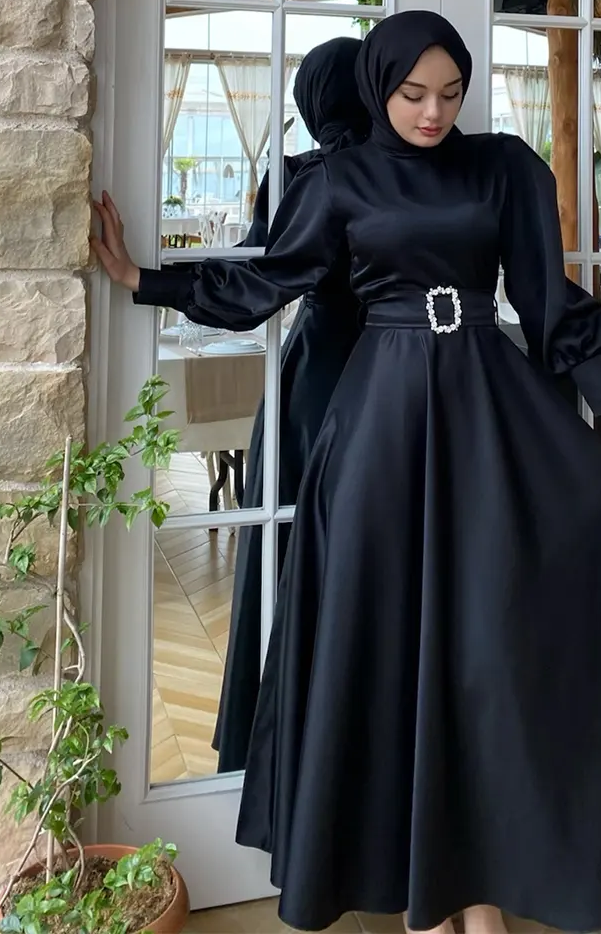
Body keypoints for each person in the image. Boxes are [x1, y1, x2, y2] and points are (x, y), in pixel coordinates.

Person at [92, 11, 601, 934]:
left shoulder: (504, 167)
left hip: (487, 411)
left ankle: (479, 889)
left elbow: (546, 300)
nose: (434, 112)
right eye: (413, 94)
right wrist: (143, 280)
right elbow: (265, 282)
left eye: (451, 94)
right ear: (379, 88)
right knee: (389, 645)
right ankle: (423, 897)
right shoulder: (337, 180)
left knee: (484, 651)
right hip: (380, 424)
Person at [214, 38, 370, 771]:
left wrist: (148, 277)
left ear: (310, 102)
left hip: (314, 378)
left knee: (287, 552)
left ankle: (281, 739)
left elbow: (249, 284)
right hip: (393, 375)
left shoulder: (295, 175)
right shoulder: (398, 172)